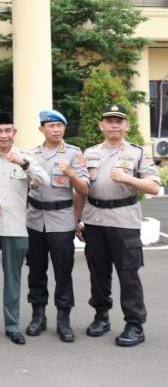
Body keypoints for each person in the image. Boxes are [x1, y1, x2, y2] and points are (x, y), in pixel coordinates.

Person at [80, 104, 160, 347]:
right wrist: (77, 219)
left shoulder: (137, 153)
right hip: (94, 219)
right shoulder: (90, 152)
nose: (114, 124)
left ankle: (134, 323)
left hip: (124, 219)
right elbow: (81, 189)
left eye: (119, 121)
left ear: (126, 125)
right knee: (98, 272)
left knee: (128, 273)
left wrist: (128, 178)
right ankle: (101, 316)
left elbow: (154, 187)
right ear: (101, 125)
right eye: (109, 120)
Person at [0, 112, 48, 345]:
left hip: (17, 227)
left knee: (14, 280)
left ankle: (12, 326)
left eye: (7, 130)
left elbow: (44, 182)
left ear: (14, 132)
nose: (3, 135)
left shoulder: (26, 157)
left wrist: (24, 164)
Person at [25, 110, 88, 342]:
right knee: (36, 271)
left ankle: (64, 319)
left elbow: (84, 190)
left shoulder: (73, 154)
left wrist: (70, 172)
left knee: (63, 272)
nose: (57, 130)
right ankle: (38, 316)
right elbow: (24, 189)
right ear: (42, 129)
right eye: (51, 126)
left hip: (62, 220)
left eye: (60, 125)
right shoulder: (31, 155)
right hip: (34, 220)